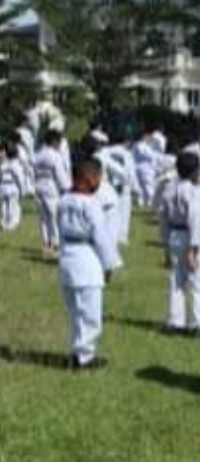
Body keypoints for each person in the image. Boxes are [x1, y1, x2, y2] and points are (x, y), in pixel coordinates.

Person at [56, 157, 123, 370]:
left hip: (67, 257)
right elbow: (101, 237)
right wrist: (109, 264)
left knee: (75, 312)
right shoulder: (91, 205)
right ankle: (85, 357)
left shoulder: (63, 200)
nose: (99, 183)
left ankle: (76, 353)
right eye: (97, 178)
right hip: (87, 260)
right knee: (91, 314)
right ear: (87, 178)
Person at [161, 150, 200, 337]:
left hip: (174, 235)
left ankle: (175, 321)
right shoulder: (193, 192)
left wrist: (166, 247)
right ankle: (198, 324)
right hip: (190, 236)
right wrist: (193, 248)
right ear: (195, 172)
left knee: (176, 280)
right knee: (198, 282)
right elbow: (196, 220)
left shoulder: (169, 189)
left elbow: (163, 220)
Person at [33, 128, 71, 257]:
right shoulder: (55, 155)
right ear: (54, 141)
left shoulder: (37, 154)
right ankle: (55, 245)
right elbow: (60, 174)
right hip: (51, 187)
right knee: (54, 217)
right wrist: (67, 188)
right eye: (59, 142)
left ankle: (46, 244)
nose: (60, 145)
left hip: (38, 186)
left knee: (43, 218)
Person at [1, 144, 30, 231]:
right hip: (13, 186)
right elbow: (19, 178)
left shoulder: (3, 164)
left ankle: (4, 223)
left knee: (4, 206)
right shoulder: (16, 164)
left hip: (3, 186)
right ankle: (12, 225)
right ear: (16, 154)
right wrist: (22, 189)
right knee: (14, 206)